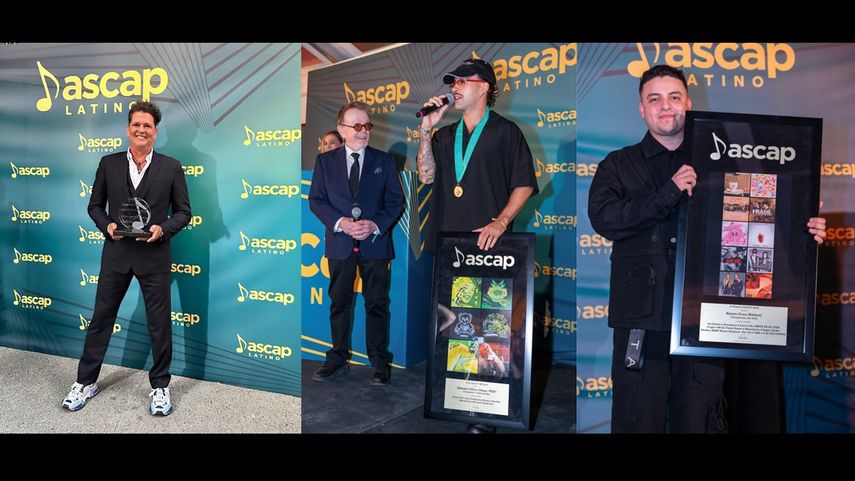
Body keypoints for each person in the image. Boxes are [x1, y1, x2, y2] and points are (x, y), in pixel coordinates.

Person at [588, 65, 826, 433]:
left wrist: (803, 228)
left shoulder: (723, 163)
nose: (665, 107)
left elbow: (760, 223)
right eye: (654, 99)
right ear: (641, 108)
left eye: (674, 97)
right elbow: (605, 220)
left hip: (705, 319)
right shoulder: (618, 165)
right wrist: (668, 191)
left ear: (689, 103)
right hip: (641, 318)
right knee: (637, 419)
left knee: (699, 420)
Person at [416, 58, 538, 433]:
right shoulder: (444, 135)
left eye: (462, 81)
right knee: (453, 327)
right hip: (449, 245)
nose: (454, 87)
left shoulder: (506, 132)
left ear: (484, 87)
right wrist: (425, 132)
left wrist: (501, 221)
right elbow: (426, 175)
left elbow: (525, 184)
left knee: (487, 327)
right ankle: (457, 399)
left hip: (489, 248)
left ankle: (484, 412)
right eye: (452, 82)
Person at [62, 101, 192, 416]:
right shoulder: (108, 164)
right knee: (101, 318)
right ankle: (85, 381)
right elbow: (94, 206)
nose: (141, 130)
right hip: (117, 254)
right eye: (136, 125)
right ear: (128, 129)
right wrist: (106, 225)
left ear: (155, 132)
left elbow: (185, 213)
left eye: (147, 126)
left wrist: (164, 228)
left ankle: (160, 387)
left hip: (154, 256)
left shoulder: (171, 166)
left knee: (160, 324)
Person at [309, 101, 404, 385]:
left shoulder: (384, 161)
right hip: (340, 244)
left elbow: (395, 202)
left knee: (377, 303)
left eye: (367, 126)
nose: (363, 131)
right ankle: (337, 359)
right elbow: (317, 200)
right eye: (357, 126)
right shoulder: (325, 161)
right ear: (342, 129)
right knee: (339, 303)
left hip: (375, 244)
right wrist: (341, 223)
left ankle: (379, 361)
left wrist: (374, 224)